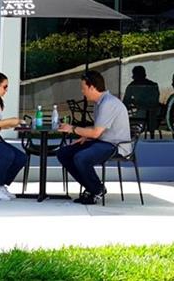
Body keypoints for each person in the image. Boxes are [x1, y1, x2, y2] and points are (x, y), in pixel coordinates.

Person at [56, 70, 132, 205]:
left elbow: (96, 132)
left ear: (92, 87)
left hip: (115, 145)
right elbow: (98, 129)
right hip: (103, 141)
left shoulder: (108, 103)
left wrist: (72, 129)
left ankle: (96, 189)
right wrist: (86, 136)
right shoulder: (100, 103)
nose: (82, 92)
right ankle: (92, 188)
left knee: (81, 157)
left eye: (83, 88)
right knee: (64, 153)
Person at [124, 65, 162, 131]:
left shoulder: (132, 86)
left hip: (142, 117)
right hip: (154, 117)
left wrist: (134, 103)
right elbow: (155, 100)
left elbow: (125, 102)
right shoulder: (153, 85)